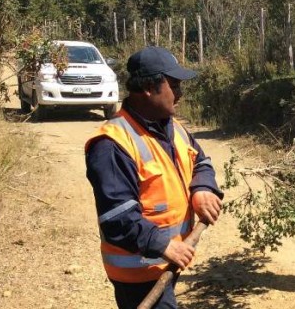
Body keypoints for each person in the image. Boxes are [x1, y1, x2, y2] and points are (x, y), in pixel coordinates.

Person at [85, 46, 223, 309]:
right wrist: (162, 244)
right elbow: (117, 218)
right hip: (138, 274)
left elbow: (201, 162)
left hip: (166, 263)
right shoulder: (112, 144)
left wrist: (202, 188)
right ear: (149, 87)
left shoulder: (172, 127)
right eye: (174, 85)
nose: (180, 93)